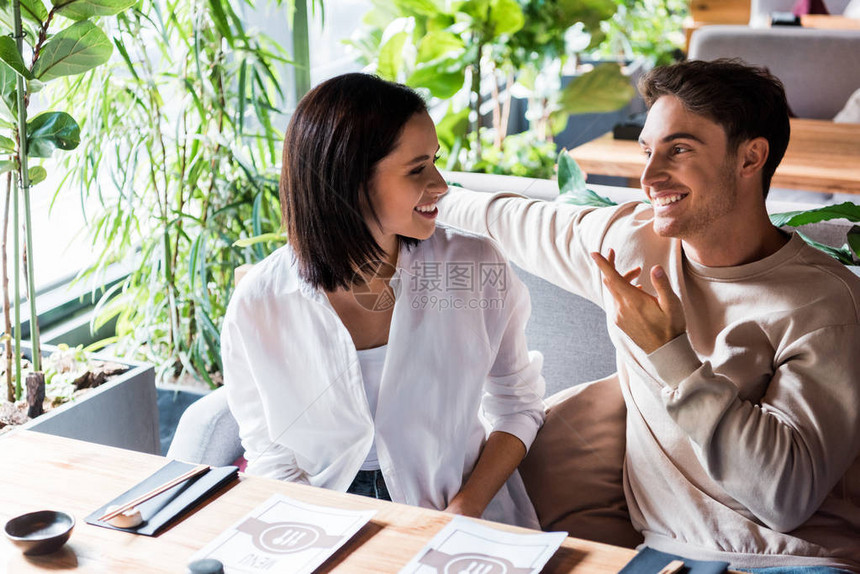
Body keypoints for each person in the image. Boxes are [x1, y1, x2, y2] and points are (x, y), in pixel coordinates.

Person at [438, 59, 860, 570]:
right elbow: (505, 217)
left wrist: (671, 355)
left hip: (800, 560)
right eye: (647, 151)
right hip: (666, 555)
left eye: (678, 150)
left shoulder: (825, 305)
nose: (649, 176)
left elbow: (783, 499)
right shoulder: (630, 246)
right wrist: (410, 197)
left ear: (751, 158)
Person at [221, 73, 545, 528]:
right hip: (319, 512)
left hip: (461, 507)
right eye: (417, 169)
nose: (440, 184)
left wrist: (464, 510)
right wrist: (318, 530)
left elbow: (518, 405)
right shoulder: (259, 302)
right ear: (349, 180)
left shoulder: (475, 266)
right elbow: (269, 450)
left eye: (434, 161)